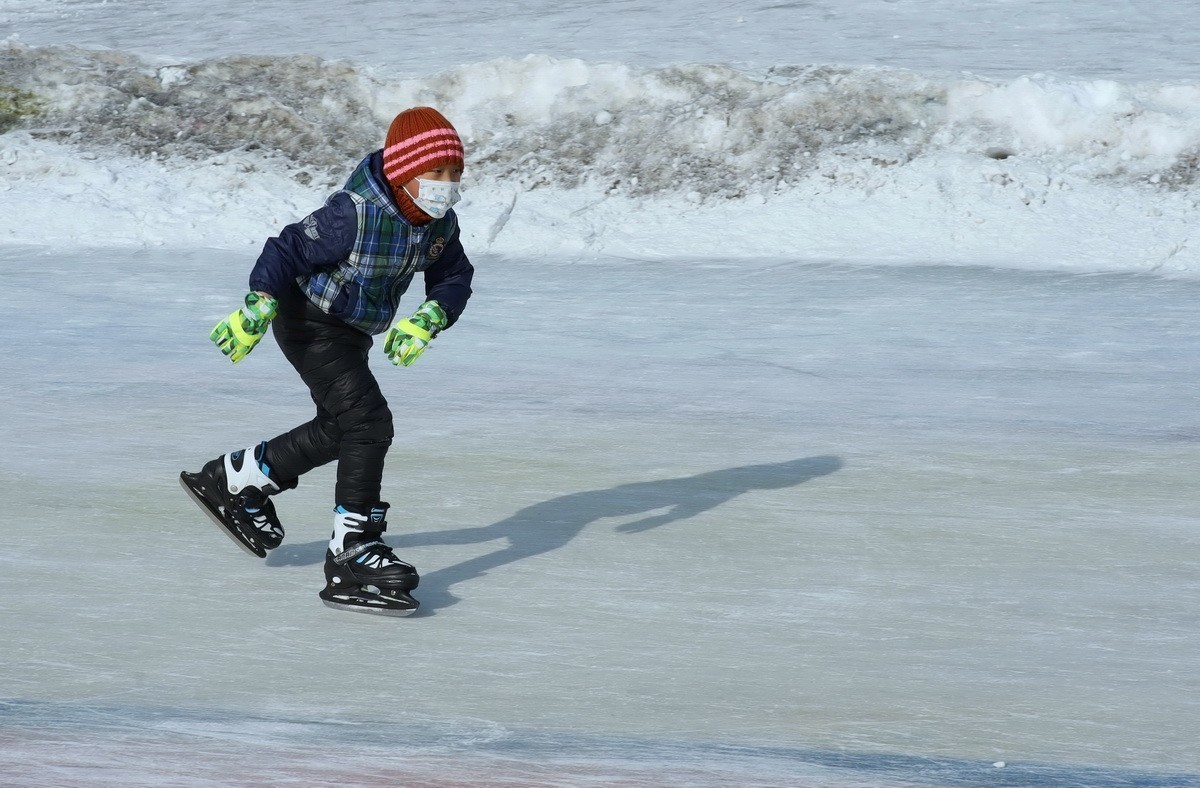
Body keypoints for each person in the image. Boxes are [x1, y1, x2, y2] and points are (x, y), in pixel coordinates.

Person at [180, 107, 474, 617]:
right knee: (368, 423)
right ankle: (352, 550)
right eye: (436, 174)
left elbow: (455, 274)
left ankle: (238, 478)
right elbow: (288, 247)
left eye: (455, 174)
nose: (446, 186)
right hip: (308, 321)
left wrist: (431, 315)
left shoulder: (437, 223)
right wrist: (260, 300)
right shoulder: (354, 211)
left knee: (343, 427)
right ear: (405, 173)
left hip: (351, 331)